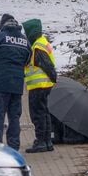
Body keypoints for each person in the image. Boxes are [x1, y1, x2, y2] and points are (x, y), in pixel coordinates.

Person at [0, 14, 31, 150]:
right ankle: (14, 147)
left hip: (0, 84)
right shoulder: (25, 41)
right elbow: (27, 60)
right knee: (14, 117)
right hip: (17, 85)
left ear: (2, 25)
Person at [22, 18, 57, 153]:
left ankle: (41, 141)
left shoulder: (37, 47)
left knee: (37, 114)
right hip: (44, 84)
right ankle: (47, 141)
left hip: (39, 85)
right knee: (44, 112)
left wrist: (53, 77)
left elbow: (46, 64)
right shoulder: (42, 42)